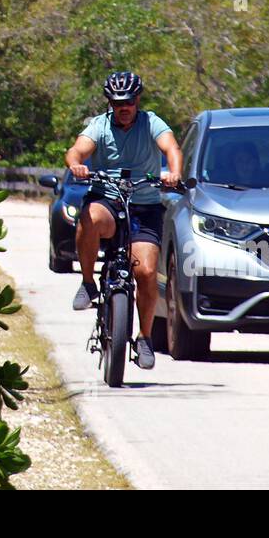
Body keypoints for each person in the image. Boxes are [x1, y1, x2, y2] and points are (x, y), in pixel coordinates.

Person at [64, 70, 182, 370]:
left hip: (144, 204)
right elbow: (77, 149)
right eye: (117, 103)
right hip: (108, 199)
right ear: (110, 103)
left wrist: (173, 172)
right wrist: (76, 164)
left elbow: (171, 147)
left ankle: (143, 338)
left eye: (128, 101)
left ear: (137, 100)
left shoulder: (151, 121)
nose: (123, 108)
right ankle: (89, 283)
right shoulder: (99, 126)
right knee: (89, 217)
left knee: (146, 272)